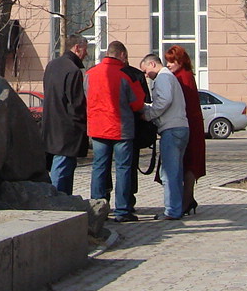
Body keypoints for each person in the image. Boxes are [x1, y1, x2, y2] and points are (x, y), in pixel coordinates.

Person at [86, 40, 146, 221]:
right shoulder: (126, 75)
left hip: (97, 129)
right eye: (126, 57)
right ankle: (123, 210)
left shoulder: (90, 74)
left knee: (99, 168)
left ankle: (97, 208)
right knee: (123, 169)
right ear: (121, 55)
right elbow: (137, 103)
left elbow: (85, 97)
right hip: (121, 129)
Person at [140, 53, 189, 219]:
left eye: (146, 71)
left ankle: (172, 211)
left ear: (153, 64)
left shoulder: (162, 78)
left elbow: (164, 101)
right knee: (175, 172)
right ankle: (176, 208)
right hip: (179, 128)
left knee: (169, 173)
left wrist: (147, 114)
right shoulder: (169, 77)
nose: (146, 75)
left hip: (172, 129)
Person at [41, 35, 88, 194]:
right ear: (77, 48)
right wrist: (82, 126)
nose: (86, 54)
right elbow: (76, 104)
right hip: (67, 129)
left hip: (50, 125)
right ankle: (59, 202)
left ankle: (61, 199)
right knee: (63, 168)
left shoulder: (51, 65)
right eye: (85, 50)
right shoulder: (73, 70)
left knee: (59, 165)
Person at [164, 44, 206, 214]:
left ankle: (186, 201)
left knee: (188, 164)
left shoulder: (183, 77)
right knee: (186, 163)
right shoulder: (183, 76)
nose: (169, 65)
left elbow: (185, 105)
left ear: (180, 61)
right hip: (190, 124)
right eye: (167, 61)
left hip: (188, 125)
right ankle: (187, 200)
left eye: (172, 61)